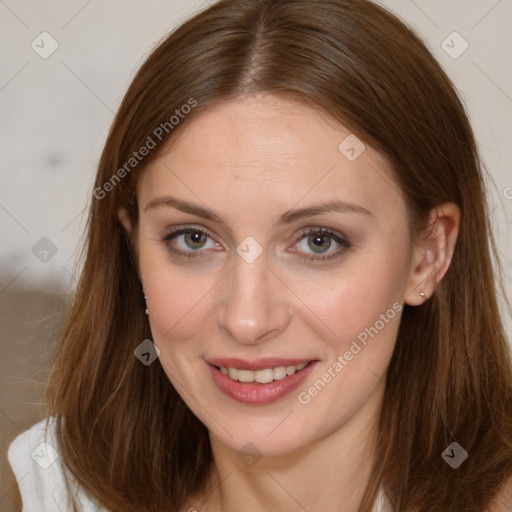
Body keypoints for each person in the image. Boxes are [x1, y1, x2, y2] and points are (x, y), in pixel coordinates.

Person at [8, 0, 512, 510]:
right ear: (132, 248)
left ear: (428, 253)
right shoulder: (59, 491)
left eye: (319, 241)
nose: (247, 320)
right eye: (194, 238)